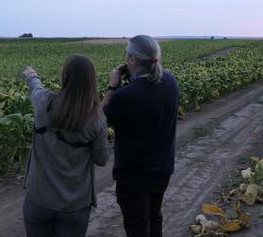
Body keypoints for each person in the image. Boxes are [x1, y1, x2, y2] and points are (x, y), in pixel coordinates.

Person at [21, 54, 109, 237]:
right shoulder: (96, 119)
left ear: (65, 76)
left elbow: (35, 88)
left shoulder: (43, 102)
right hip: (74, 205)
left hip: (38, 199)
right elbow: (102, 160)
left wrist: (31, 75)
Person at [101, 35, 179, 237]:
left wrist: (112, 86)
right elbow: (148, 90)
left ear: (133, 60)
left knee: (137, 228)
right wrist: (133, 79)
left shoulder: (124, 96)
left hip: (134, 177)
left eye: (127, 55)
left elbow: (98, 121)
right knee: (154, 219)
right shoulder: (170, 82)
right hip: (162, 170)